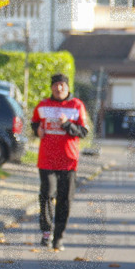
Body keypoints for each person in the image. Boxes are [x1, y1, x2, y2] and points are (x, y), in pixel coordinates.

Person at [31, 73, 89, 251]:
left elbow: (83, 132)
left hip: (68, 161)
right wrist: (37, 130)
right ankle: (46, 231)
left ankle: (58, 237)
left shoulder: (76, 105)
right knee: (47, 194)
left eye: (62, 85)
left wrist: (67, 125)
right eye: (56, 85)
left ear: (68, 87)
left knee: (64, 200)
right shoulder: (43, 105)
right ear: (51, 87)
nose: (59, 88)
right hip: (46, 159)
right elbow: (35, 123)